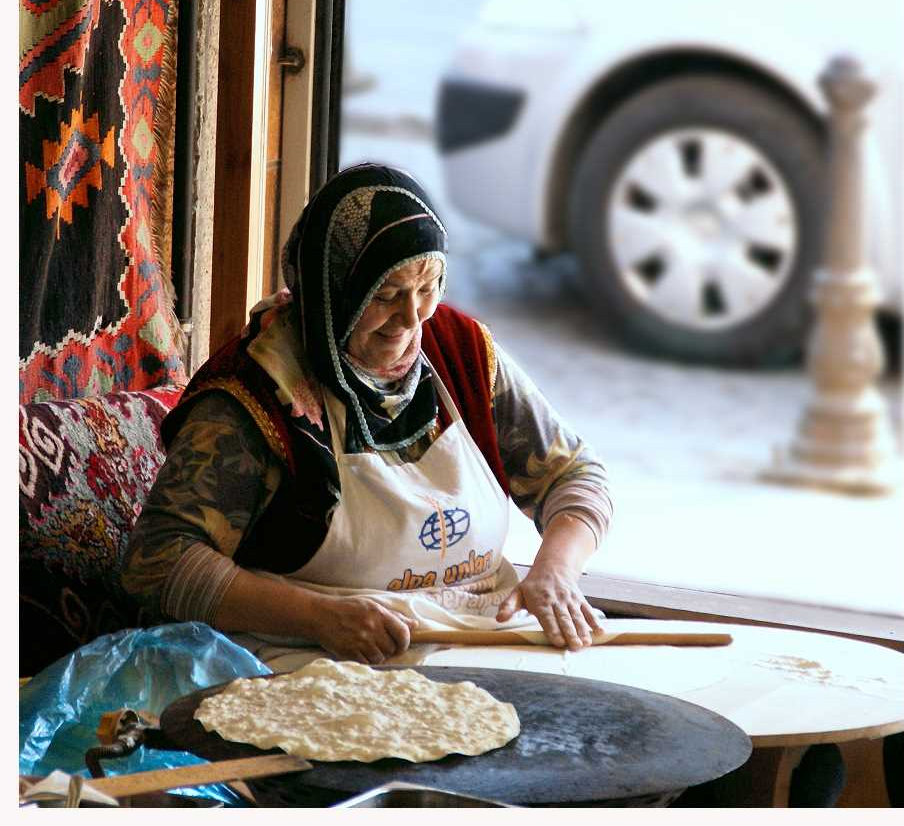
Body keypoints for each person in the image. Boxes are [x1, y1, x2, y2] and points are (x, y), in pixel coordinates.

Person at [123, 163, 613, 667]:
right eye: (385, 294)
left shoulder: (461, 353)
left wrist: (555, 572)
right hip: (319, 660)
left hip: (485, 638)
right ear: (333, 290)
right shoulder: (255, 393)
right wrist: (318, 617)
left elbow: (576, 475)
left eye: (428, 289)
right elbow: (159, 562)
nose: (412, 318)